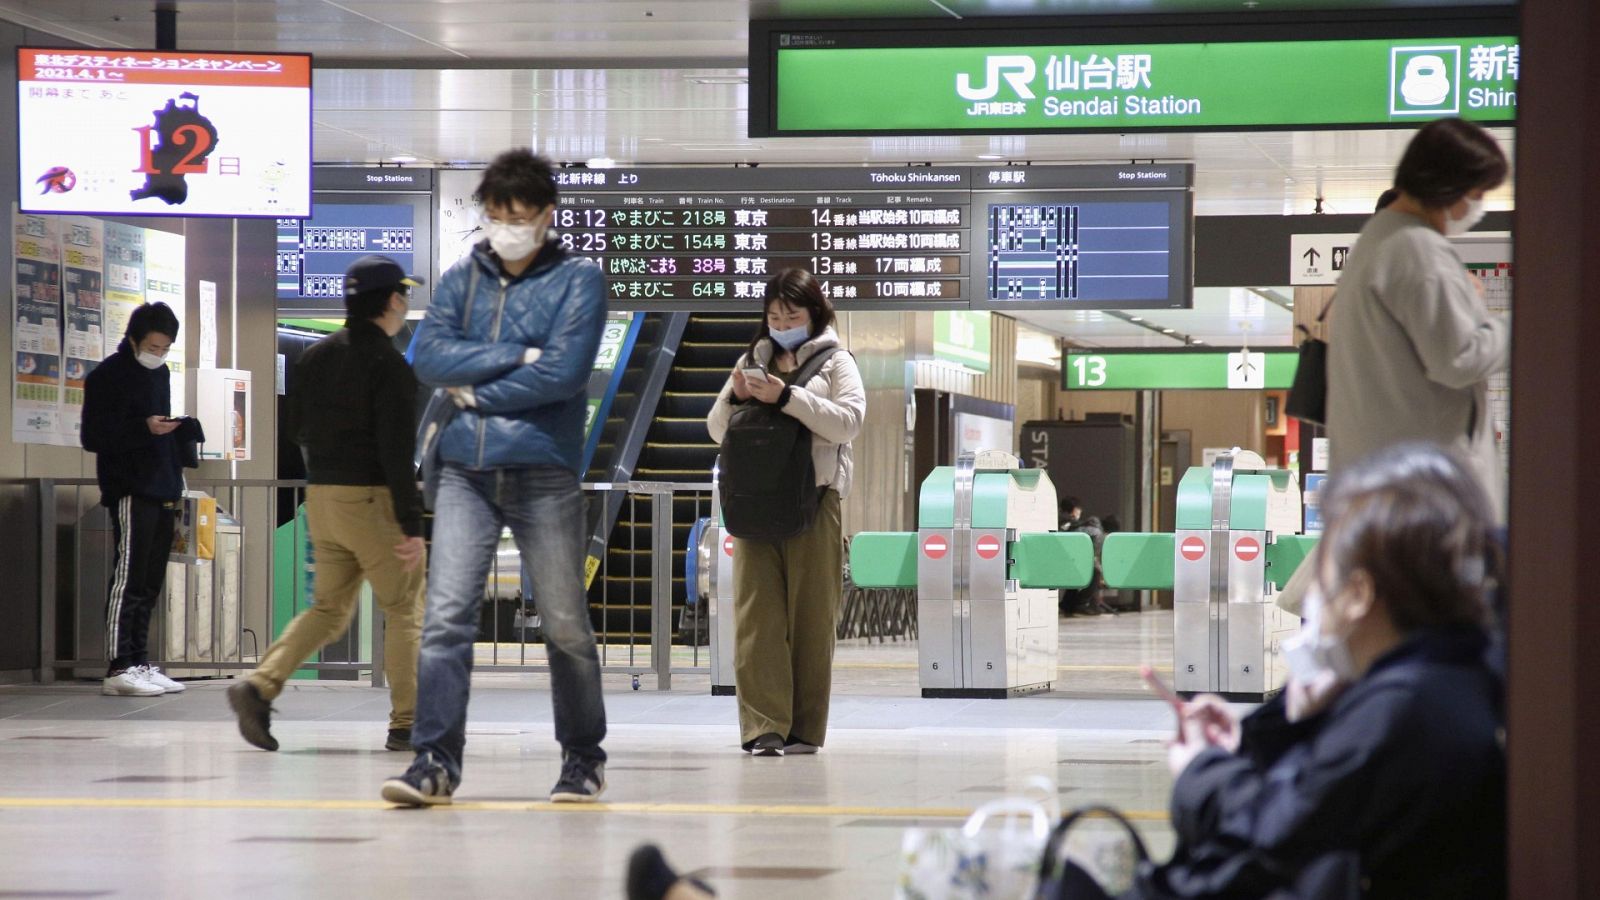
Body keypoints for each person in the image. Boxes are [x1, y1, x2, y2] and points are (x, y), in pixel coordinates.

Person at [1056, 443, 1506, 899]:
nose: (1309, 595)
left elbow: (1277, 832)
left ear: (1358, 593)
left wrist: (1200, 771)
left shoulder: (1401, 709)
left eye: (1321, 569)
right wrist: (1293, 723)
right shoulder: (1454, 673)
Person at [381, 149, 609, 806]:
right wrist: (516, 355)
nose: (508, 226)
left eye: (521, 215)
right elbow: (429, 357)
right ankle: (434, 761)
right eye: (497, 214)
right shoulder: (460, 279)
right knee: (447, 619)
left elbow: (564, 374)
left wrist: (475, 390)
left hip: (545, 470)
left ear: (546, 215)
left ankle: (583, 758)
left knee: (564, 621)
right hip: (465, 472)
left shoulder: (578, 281)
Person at [227, 255, 427, 753]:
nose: (405, 302)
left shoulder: (314, 357)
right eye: (403, 294)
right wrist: (411, 523)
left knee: (328, 608)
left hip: (323, 498)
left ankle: (260, 684)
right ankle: (408, 723)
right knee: (403, 608)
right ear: (393, 300)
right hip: (372, 499)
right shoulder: (391, 365)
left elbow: (295, 429)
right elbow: (396, 453)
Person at [706, 269, 865, 756]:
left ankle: (803, 728)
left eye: (791, 316)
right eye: (774, 316)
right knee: (757, 618)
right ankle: (763, 727)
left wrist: (789, 397)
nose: (781, 324)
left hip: (815, 502)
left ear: (814, 313)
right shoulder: (752, 359)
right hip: (754, 503)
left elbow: (849, 423)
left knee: (812, 618)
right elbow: (716, 429)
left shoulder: (836, 361)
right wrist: (735, 395)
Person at [1326, 117, 1510, 521]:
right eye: (1476, 193)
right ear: (1447, 186)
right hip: (1425, 498)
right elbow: (1458, 359)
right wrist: (1517, 325)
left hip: (1385, 488)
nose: (1476, 206)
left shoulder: (1379, 240)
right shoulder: (1417, 250)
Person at [81, 302, 204, 697]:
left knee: (151, 580)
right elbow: (94, 437)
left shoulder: (161, 374)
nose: (159, 355)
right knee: (129, 578)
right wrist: (143, 428)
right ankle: (119, 665)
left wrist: (173, 430)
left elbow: (155, 422)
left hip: (163, 483)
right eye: (154, 346)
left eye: (166, 348)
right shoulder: (107, 376)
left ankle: (139, 660)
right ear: (134, 338)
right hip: (130, 487)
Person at [1058, 496, 1110, 616]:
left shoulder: (1067, 523)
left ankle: (1068, 604)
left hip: (1067, 558)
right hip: (1066, 558)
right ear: (1074, 510)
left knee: (1081, 572)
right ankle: (1080, 603)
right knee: (1095, 571)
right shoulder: (1067, 523)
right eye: (1078, 510)